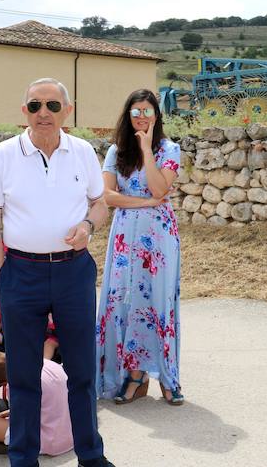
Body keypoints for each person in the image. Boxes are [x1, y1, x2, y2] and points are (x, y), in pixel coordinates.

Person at [0, 77, 115, 467]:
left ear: (67, 112)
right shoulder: (3, 155)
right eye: (36, 105)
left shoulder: (83, 151)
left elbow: (100, 204)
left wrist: (88, 227)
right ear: (24, 111)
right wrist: (3, 274)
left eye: (53, 106)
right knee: (23, 376)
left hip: (74, 272)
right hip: (20, 273)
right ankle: (23, 459)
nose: (44, 113)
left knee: (83, 372)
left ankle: (91, 456)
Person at [95, 89, 182, 405]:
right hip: (124, 237)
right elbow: (107, 196)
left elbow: (161, 186)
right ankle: (133, 375)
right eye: (135, 111)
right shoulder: (116, 151)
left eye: (147, 111)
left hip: (159, 238)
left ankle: (167, 377)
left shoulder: (170, 149)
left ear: (156, 115)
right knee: (125, 301)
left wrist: (146, 149)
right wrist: (145, 202)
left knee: (158, 303)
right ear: (127, 115)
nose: (141, 116)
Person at [0, 358, 74, 457]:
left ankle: (17, 446)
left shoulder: (17, 384)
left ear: (2, 383)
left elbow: (24, 420)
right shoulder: (47, 363)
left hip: (51, 442)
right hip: (74, 434)